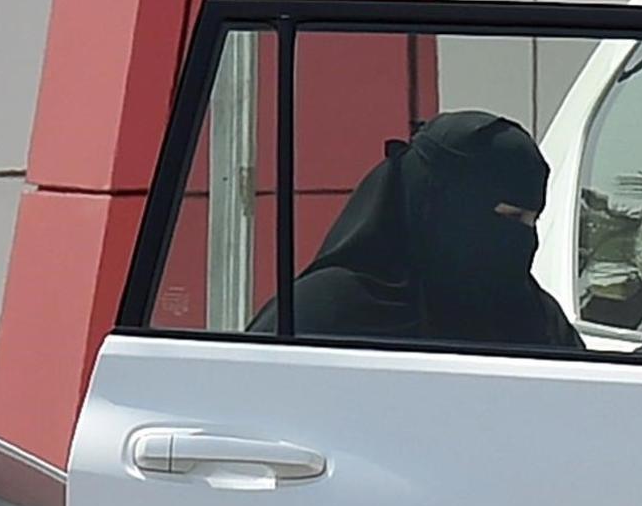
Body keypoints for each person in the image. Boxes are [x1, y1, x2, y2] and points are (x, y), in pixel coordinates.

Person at [249, 110, 582, 349]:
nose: (524, 239)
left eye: (531, 221)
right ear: (440, 206)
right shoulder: (323, 313)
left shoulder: (536, 320)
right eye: (509, 218)